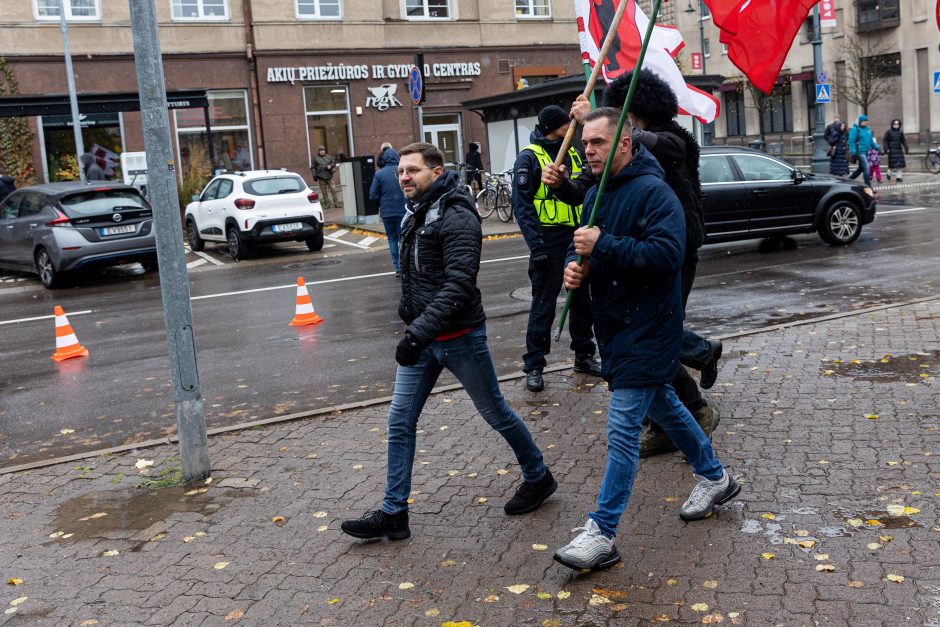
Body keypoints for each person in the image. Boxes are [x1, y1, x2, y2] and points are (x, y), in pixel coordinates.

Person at [552, 107, 741, 572]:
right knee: (668, 408)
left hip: (651, 327)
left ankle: (601, 533)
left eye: (596, 142)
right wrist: (580, 268)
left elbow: (666, 255)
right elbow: (597, 249)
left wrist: (603, 247)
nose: (587, 150)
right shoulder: (596, 193)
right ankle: (715, 477)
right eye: (585, 143)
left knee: (621, 432)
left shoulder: (655, 192)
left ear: (624, 144)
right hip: (616, 327)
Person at [341, 142, 556, 541]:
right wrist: (416, 329)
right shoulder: (417, 213)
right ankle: (394, 512)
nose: (404, 177)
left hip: (459, 338)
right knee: (400, 420)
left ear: (437, 173)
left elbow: (458, 285)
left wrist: (417, 332)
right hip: (423, 339)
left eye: (413, 171)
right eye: (401, 171)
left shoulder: (457, 217)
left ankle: (538, 475)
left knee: (495, 413)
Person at [542, 70, 721, 455]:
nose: (593, 148)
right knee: (645, 335)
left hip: (673, 249)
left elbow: (656, 146)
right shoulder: (614, 154)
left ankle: (691, 413)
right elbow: (589, 194)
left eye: (622, 112)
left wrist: (600, 121)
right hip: (625, 246)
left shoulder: (675, 137)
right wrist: (561, 185)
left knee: (653, 334)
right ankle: (679, 401)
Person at [512, 105, 602, 393]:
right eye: (567, 122)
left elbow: (582, 190)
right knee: (543, 304)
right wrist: (536, 246)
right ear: (555, 126)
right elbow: (522, 206)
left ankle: (584, 356)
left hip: (575, 236)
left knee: (581, 301)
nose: (572, 126)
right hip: (547, 241)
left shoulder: (573, 152)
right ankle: (534, 366)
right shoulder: (529, 158)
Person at [369, 147, 406, 276]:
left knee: (391, 239)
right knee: (403, 238)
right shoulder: (402, 172)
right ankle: (405, 265)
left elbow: (372, 195)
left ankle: (397, 267)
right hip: (402, 210)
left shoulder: (379, 174)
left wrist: (381, 202)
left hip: (386, 212)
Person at [848, 114, 878, 188]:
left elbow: (871, 141)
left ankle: (849, 179)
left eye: (866, 121)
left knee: (861, 169)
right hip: (860, 152)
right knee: (866, 167)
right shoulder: (855, 129)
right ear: (860, 121)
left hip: (866, 152)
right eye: (864, 121)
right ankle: (868, 186)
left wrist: (877, 147)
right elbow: (851, 141)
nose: (866, 122)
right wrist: (854, 151)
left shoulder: (867, 129)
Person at [312, 145, 340, 210]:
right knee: (324, 192)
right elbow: (313, 168)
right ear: (319, 151)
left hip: (329, 177)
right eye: (321, 150)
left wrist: (330, 166)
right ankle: (327, 204)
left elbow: (334, 162)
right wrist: (314, 176)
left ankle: (337, 203)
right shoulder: (315, 158)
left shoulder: (329, 157)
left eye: (323, 150)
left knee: (333, 190)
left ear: (325, 151)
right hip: (321, 178)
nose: (322, 152)